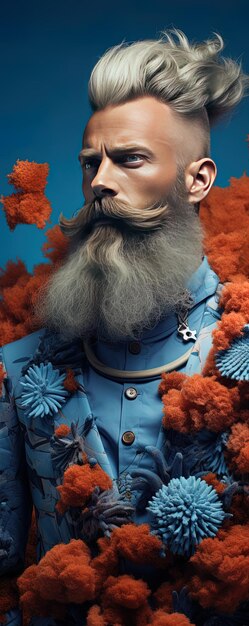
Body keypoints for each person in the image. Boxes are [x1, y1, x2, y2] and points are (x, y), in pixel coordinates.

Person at [0, 28, 249, 626]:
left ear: (198, 179)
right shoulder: (15, 369)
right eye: (91, 163)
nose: (101, 182)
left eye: (131, 158)